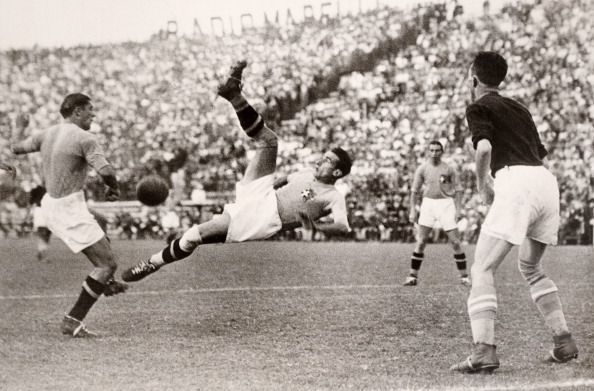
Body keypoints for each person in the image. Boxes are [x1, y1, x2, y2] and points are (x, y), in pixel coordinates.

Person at [122, 61, 352, 282]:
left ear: (337, 174)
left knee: (194, 237)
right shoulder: (306, 173)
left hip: (264, 219)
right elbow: (284, 179)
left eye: (329, 161)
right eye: (325, 157)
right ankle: (233, 94)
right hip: (262, 196)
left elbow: (343, 226)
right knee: (269, 141)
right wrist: (257, 189)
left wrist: (316, 227)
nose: (322, 160)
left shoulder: (333, 196)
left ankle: (152, 263)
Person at [451, 52, 578, 373]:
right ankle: (564, 342)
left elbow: (484, 148)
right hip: (545, 182)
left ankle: (484, 351)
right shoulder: (520, 108)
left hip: (516, 181)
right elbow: (538, 153)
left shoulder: (478, 106)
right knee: (531, 267)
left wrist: (483, 186)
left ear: (474, 79)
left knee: (481, 268)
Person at [10, 94, 129, 338]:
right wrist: (113, 187)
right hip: (68, 207)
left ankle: (107, 282)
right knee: (107, 264)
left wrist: (19, 127)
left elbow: (16, 147)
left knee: (102, 222)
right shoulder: (85, 138)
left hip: (51, 203)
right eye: (90, 110)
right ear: (76, 112)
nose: (93, 115)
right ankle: (72, 320)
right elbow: (105, 171)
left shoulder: (48, 133)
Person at [404, 141, 470, 286]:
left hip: (446, 204)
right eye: (432, 150)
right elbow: (414, 191)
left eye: (437, 150)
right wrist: (412, 210)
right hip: (428, 204)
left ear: (442, 152)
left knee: (455, 241)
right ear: (428, 152)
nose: (434, 153)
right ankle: (412, 276)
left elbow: (458, 189)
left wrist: (458, 210)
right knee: (421, 241)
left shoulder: (449, 169)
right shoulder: (422, 169)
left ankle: (464, 276)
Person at [29, 185, 52, 262]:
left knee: (47, 232)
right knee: (43, 232)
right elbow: (31, 201)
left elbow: (31, 201)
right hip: (40, 210)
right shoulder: (36, 189)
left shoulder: (50, 187)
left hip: (48, 211)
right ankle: (42, 254)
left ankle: (41, 252)